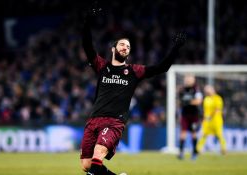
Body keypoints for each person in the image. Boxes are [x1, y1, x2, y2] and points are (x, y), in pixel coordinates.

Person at [80, 2, 187, 175]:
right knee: (86, 166)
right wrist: (88, 21)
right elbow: (87, 46)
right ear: (113, 48)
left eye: (128, 47)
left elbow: (162, 67)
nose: (125, 48)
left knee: (98, 155)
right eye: (122, 44)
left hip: (114, 121)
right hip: (94, 119)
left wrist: (175, 48)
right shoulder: (102, 66)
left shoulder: (133, 71)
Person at [177, 75, 203, 160]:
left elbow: (199, 101)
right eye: (186, 79)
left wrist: (189, 102)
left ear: (193, 80)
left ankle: (194, 152)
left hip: (194, 115)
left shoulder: (196, 89)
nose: (187, 80)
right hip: (184, 114)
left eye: (189, 79)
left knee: (193, 133)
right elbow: (179, 101)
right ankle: (181, 152)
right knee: (183, 133)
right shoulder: (182, 89)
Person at [196, 85, 227, 154]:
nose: (207, 92)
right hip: (207, 121)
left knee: (219, 135)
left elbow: (218, 109)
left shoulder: (218, 98)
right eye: (206, 90)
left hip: (216, 120)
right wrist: (204, 118)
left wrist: (211, 116)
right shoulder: (206, 99)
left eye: (208, 90)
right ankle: (198, 149)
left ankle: (223, 149)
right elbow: (205, 110)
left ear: (213, 90)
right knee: (203, 135)